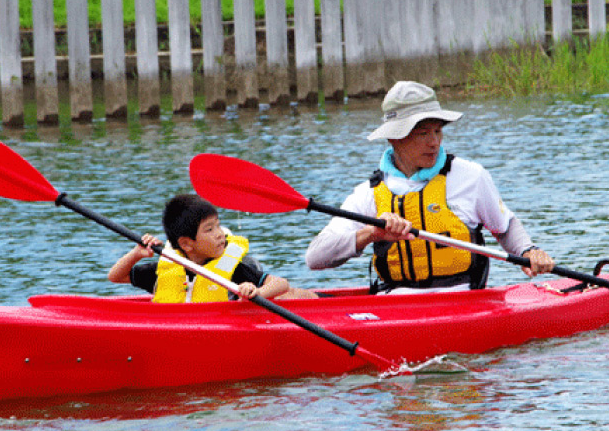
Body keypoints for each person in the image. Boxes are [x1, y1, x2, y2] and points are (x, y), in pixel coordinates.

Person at [305, 81, 555, 294]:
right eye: (423, 133)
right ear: (394, 137)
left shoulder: (470, 177)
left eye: (437, 131)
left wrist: (528, 250)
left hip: (463, 304)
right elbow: (315, 257)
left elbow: (505, 226)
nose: (434, 142)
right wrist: (372, 233)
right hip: (398, 309)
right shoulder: (369, 193)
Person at [110, 193, 317, 302]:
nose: (220, 233)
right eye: (209, 229)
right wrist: (137, 253)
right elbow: (115, 276)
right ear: (186, 244)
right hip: (186, 329)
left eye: (218, 225)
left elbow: (281, 283)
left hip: (234, 324)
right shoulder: (164, 271)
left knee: (291, 295)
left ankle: (320, 301)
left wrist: (257, 292)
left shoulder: (232, 268)